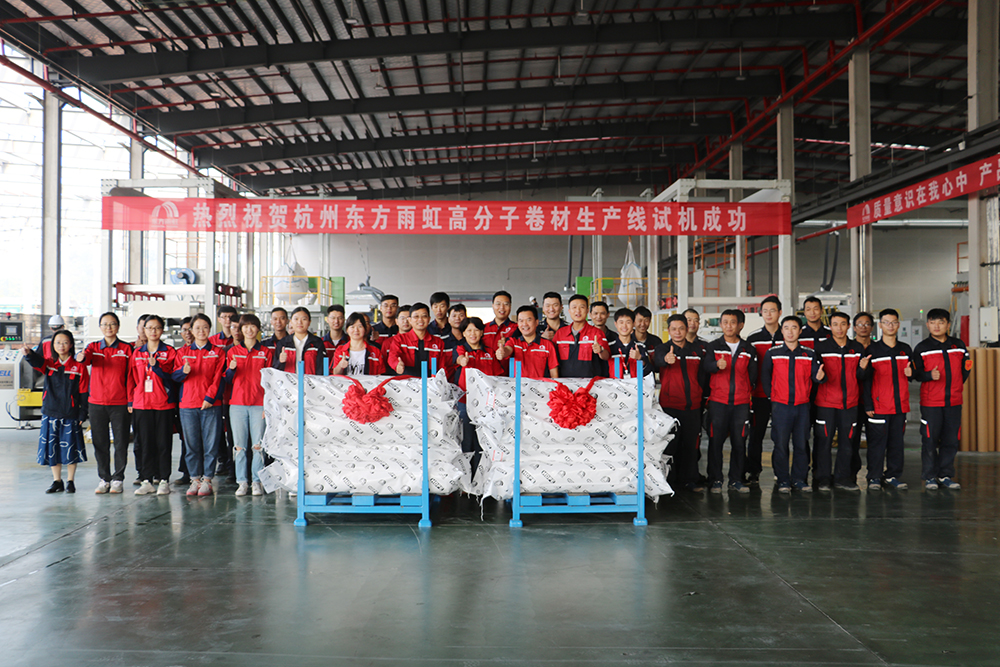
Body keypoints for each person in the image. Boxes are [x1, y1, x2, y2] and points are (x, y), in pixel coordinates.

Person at [761, 316, 824, 493]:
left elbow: (816, 376)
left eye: (794, 327)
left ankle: (799, 479)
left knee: (801, 444)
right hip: (780, 406)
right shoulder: (772, 353)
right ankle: (782, 479)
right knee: (780, 444)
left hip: (802, 406)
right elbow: (765, 376)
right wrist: (772, 397)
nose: (790, 331)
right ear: (781, 331)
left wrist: (820, 377)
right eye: (786, 328)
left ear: (800, 331)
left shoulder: (809, 354)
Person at [911, 308, 969, 490]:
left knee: (950, 440)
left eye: (941, 322)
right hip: (931, 403)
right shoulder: (922, 348)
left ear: (948, 325)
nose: (936, 326)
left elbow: (965, 370)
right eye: (933, 322)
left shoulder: (958, 345)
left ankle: (945, 475)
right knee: (929, 440)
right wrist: (929, 375)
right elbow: (916, 374)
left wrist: (956, 385)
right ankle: (930, 476)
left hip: (954, 401)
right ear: (928, 325)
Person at [23, 330, 88, 494]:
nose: (61, 346)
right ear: (53, 345)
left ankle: (70, 481)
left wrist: (83, 413)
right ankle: (57, 481)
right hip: (50, 412)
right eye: (58, 342)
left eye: (65, 342)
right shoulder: (49, 363)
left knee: (71, 448)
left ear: (71, 345)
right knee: (52, 448)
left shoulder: (79, 367)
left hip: (70, 413)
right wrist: (29, 354)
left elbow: (84, 392)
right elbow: (36, 361)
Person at [701, 309, 757, 494]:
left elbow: (753, 375)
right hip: (718, 402)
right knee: (715, 442)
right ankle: (715, 480)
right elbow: (706, 367)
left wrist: (745, 391)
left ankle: (736, 480)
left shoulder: (749, 349)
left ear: (740, 325)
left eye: (733, 322)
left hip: (741, 404)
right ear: (721, 324)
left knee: (739, 443)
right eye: (725, 322)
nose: (729, 326)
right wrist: (716, 365)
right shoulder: (713, 346)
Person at [77, 312, 132, 494]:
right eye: (105, 324)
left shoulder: (126, 349)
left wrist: (130, 400)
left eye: (112, 324)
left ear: (118, 326)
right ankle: (104, 478)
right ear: (100, 327)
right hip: (97, 403)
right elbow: (85, 359)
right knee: (100, 443)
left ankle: (118, 479)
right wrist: (80, 357)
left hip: (119, 403)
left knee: (121, 442)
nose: (109, 327)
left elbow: (131, 376)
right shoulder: (93, 347)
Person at [172, 313, 225, 497]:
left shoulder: (218, 352)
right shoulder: (182, 353)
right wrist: (183, 371)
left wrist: (210, 398)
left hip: (211, 405)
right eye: (197, 328)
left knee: (211, 444)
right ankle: (195, 479)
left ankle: (207, 480)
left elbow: (219, 378)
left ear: (210, 329)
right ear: (191, 331)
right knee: (191, 444)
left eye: (205, 327)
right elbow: (174, 377)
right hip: (188, 405)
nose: (201, 331)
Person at [814, 312, 868, 491]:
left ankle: (842, 478)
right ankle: (823, 479)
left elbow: (861, 376)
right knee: (824, 443)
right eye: (835, 324)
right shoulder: (821, 347)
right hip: (826, 404)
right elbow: (816, 375)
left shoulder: (857, 348)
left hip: (850, 404)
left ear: (849, 326)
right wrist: (819, 377)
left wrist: (863, 369)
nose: (839, 328)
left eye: (843, 324)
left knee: (848, 443)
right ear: (830, 326)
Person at [653, 314, 707, 492]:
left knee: (691, 445)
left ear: (687, 329)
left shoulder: (697, 350)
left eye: (681, 328)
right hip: (670, 406)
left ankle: (690, 480)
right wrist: (665, 360)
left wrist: (701, 396)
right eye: (674, 329)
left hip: (693, 405)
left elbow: (702, 376)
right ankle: (669, 481)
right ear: (669, 330)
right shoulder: (662, 349)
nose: (678, 332)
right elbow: (657, 361)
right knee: (670, 445)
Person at [863, 308, 913, 491]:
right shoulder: (872, 350)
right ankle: (874, 477)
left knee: (896, 444)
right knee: (877, 445)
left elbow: (913, 374)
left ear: (898, 325)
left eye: (893, 322)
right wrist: (868, 404)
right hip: (879, 406)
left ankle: (892, 476)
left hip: (900, 406)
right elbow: (866, 380)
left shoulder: (905, 349)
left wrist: (911, 373)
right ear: (880, 325)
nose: (890, 326)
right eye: (886, 322)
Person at [127, 315, 178, 496]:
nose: (153, 331)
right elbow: (131, 378)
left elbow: (173, 376)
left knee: (163, 443)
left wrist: (158, 367)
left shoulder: (169, 352)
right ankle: (146, 480)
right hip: (141, 404)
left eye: (157, 328)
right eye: (149, 328)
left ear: (162, 330)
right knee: (145, 443)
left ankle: (163, 479)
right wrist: (131, 400)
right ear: (144, 330)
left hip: (163, 404)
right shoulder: (137, 353)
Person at [224, 314, 273, 497]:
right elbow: (227, 379)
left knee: (258, 446)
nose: (249, 330)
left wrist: (267, 405)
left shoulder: (266, 352)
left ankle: (257, 482)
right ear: (241, 329)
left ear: (258, 329)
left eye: (253, 326)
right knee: (239, 446)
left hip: (259, 404)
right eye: (246, 326)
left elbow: (270, 382)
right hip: (237, 404)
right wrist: (231, 369)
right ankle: (242, 482)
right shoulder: (232, 351)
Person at [453, 317, 501, 476]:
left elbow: (497, 376)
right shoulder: (460, 349)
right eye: (469, 330)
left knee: (484, 442)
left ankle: (482, 477)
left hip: (487, 405)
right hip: (465, 402)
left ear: (482, 332)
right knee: (466, 441)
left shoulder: (489, 352)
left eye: (476, 330)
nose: (472, 334)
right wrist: (463, 360)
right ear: (463, 333)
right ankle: (466, 477)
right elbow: (459, 359)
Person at [745, 296, 783, 486]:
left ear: (780, 313)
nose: (769, 314)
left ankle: (780, 472)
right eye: (765, 311)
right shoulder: (753, 339)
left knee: (781, 436)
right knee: (756, 435)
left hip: (782, 396)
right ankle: (753, 471)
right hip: (759, 395)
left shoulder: (788, 336)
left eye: (772, 310)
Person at [553, 294, 611, 378]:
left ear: (587, 310)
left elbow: (607, 356)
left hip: (590, 383)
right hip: (565, 382)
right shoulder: (560, 333)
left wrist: (601, 350)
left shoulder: (597, 333)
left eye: (582, 307)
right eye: (574, 307)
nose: (578, 311)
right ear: (569, 311)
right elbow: (552, 359)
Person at [848, 311, 875, 481]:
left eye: (867, 324)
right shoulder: (849, 348)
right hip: (853, 401)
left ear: (872, 327)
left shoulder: (877, 349)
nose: (863, 327)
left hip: (874, 402)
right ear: (854, 327)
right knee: (852, 440)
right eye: (859, 324)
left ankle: (874, 475)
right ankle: (851, 474)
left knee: (875, 441)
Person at [387, 302, 448, 376]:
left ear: (429, 319)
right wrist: (397, 365)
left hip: (430, 381)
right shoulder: (399, 339)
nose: (420, 320)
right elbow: (393, 356)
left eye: (424, 316)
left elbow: (442, 367)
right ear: (410, 320)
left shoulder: (438, 342)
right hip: (407, 381)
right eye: (416, 316)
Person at [497, 306, 559, 379]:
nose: (524, 324)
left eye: (528, 320)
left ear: (536, 322)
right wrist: (502, 352)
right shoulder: (513, 342)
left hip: (540, 385)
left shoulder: (548, 345)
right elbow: (508, 349)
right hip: (518, 385)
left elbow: (554, 373)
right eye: (521, 321)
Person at [274, 307, 326, 375]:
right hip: (288, 381)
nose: (299, 322)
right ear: (291, 322)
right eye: (296, 319)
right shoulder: (283, 343)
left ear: (309, 322)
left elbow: (321, 368)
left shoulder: (317, 342)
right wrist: (280, 361)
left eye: (304, 319)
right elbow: (275, 369)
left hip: (310, 381)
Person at [607, 308, 651, 379]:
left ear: (633, 324)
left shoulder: (640, 347)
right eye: (621, 322)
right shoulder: (609, 347)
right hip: (614, 385)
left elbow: (648, 372)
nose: (624, 326)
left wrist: (640, 358)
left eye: (628, 322)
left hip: (635, 385)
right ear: (615, 324)